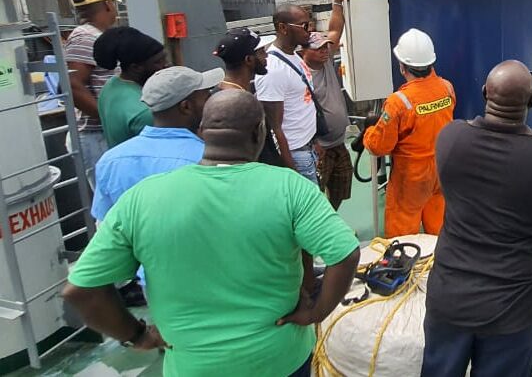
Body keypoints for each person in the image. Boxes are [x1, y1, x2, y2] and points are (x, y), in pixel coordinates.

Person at [62, 90, 360, 377]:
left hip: (193, 366)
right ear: (259, 132)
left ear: (202, 131)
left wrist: (137, 335)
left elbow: (82, 291)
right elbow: (345, 254)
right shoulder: (290, 188)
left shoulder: (141, 199)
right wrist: (316, 312)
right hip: (278, 357)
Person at [421, 60, 532, 377]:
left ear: (483, 94)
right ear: (531, 102)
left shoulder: (451, 139)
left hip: (449, 301)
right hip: (512, 312)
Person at [91, 65, 221, 221]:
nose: (210, 101)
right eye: (206, 96)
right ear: (186, 106)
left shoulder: (110, 160)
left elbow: (104, 226)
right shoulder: (209, 160)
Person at [361, 28, 455, 237]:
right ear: (431, 62)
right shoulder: (447, 88)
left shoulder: (399, 102)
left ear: (402, 66)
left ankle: (403, 267)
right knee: (438, 226)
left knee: (403, 234)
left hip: (411, 176)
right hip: (441, 168)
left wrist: (368, 133)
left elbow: (379, 146)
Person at [63, 0, 121, 184]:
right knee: (110, 204)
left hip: (101, 133)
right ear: (107, 5)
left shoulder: (95, 36)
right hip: (95, 134)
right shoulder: (85, 37)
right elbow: (71, 84)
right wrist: (109, 118)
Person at [256, 4, 321, 181]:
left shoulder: (292, 56)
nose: (310, 30)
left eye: (310, 24)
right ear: (283, 28)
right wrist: (293, 172)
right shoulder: (273, 69)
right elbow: (275, 127)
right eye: (304, 26)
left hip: (308, 147)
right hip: (296, 155)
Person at [302, 0, 353, 209]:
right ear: (303, 52)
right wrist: (313, 142)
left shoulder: (327, 63)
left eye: (325, 48)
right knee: (314, 195)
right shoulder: (300, 74)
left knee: (341, 186)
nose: (324, 51)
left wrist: (337, 3)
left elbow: (334, 29)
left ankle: (333, 218)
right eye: (318, 49)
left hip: (339, 143)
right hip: (318, 148)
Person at [93, 27, 169, 148]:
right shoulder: (144, 111)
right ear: (136, 68)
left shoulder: (111, 86)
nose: (166, 66)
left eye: (165, 58)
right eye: (158, 62)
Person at [214, 27, 273, 92]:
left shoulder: (224, 91)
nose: (266, 55)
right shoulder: (237, 99)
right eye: (262, 52)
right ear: (249, 59)